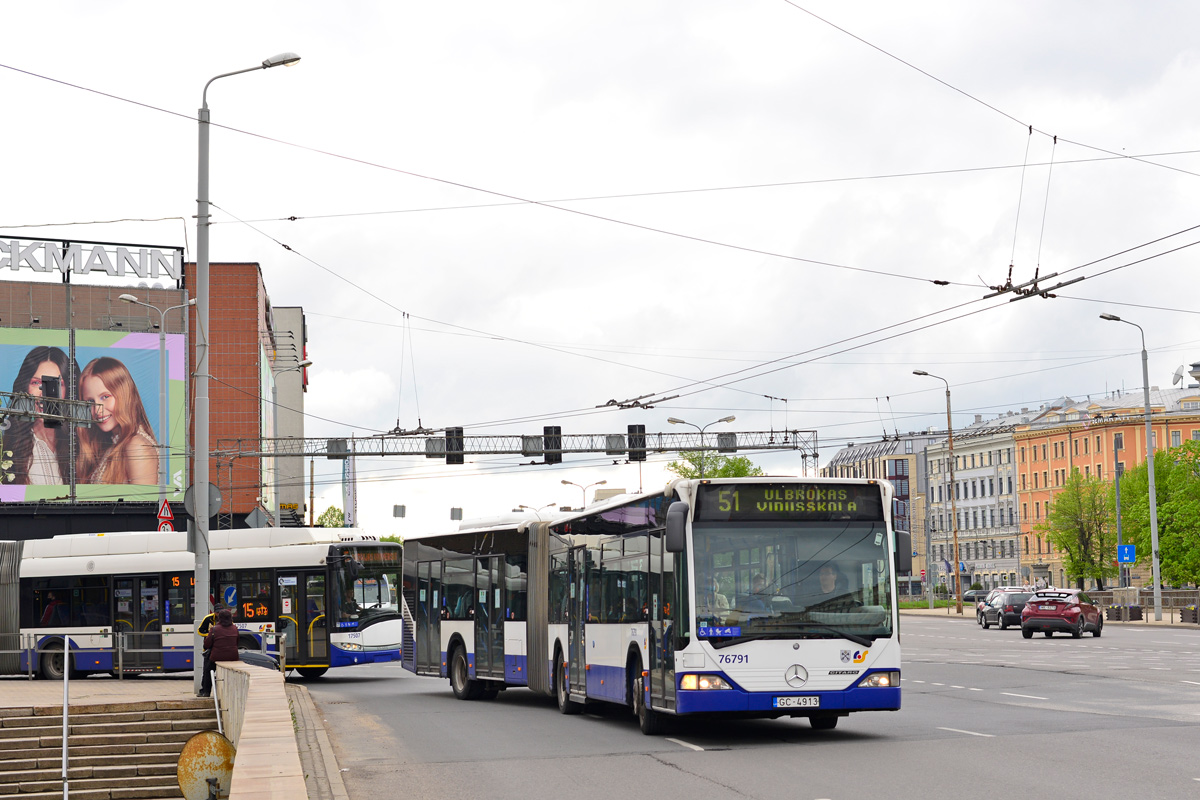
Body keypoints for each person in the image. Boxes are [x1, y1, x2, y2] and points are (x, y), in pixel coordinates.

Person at [76, 356, 159, 485]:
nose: (97, 410)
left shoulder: (137, 446)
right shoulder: (112, 444)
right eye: (90, 402)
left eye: (105, 397)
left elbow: (144, 504)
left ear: (124, 394)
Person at [5, 346, 77, 485]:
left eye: (56, 384)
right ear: (25, 387)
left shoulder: (79, 443)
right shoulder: (10, 443)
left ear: (68, 390)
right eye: (36, 382)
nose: (45, 393)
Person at [200, 608, 239, 697]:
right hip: (233, 657)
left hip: (217, 657)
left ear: (219, 618)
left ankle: (206, 691)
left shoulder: (214, 629)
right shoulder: (235, 628)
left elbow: (207, 644)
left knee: (208, 670)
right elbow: (237, 642)